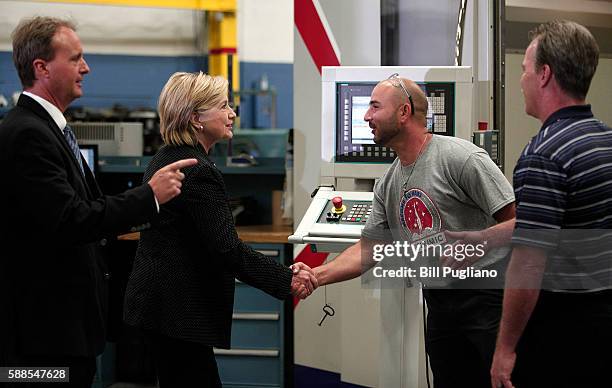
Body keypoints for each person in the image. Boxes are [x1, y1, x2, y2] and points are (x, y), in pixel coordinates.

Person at [0, 17, 198, 387]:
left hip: (61, 331)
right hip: (42, 339)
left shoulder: (49, 129)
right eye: (75, 58)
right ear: (41, 68)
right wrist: (149, 197)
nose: (86, 68)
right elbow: (70, 218)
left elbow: (81, 209)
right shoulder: (28, 133)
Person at [310, 74, 515, 387]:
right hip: (441, 304)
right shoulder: (389, 183)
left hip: (488, 299)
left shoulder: (461, 158)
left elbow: (519, 223)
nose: (366, 116)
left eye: (375, 107)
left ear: (404, 113)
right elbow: (369, 250)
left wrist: (477, 243)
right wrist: (316, 276)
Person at [123, 71, 317, 387]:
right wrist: (286, 279)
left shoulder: (167, 156)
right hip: (175, 313)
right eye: (223, 106)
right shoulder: (197, 170)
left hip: (158, 308)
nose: (232, 114)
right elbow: (227, 249)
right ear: (195, 118)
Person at [482, 20, 612, 388]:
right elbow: (560, 219)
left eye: (524, 70)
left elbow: (528, 264)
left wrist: (505, 349)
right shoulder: (604, 140)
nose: (521, 80)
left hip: (564, 336)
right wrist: (481, 237)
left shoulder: (544, 155)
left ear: (544, 75)